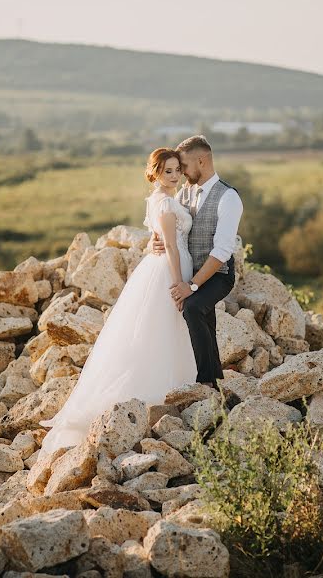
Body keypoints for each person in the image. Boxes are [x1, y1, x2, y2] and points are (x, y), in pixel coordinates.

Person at [38, 148, 198, 456]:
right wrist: (179, 284)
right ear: (155, 174)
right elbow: (171, 249)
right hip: (169, 270)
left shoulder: (160, 199)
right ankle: (156, 394)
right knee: (162, 329)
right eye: (168, 171)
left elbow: (161, 239)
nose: (175, 175)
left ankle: (176, 386)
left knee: (164, 329)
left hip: (163, 265)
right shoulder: (164, 202)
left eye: (178, 169)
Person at [148, 135, 244, 387]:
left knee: (193, 307)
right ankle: (213, 378)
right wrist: (153, 241)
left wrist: (191, 286)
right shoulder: (185, 193)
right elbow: (168, 225)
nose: (181, 173)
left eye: (184, 166)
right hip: (192, 270)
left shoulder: (228, 197)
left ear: (201, 161)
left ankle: (206, 381)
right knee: (202, 316)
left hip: (218, 274)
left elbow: (222, 251)